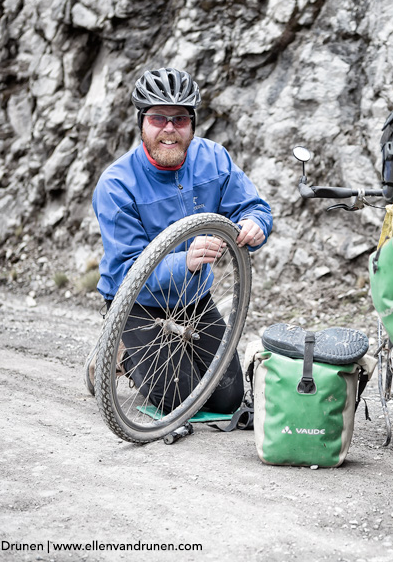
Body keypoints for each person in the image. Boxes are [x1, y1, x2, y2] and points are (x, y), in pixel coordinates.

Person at [85, 67, 272, 416]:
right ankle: (118, 351)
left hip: (193, 299)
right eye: (158, 118)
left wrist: (255, 223)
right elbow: (128, 269)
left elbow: (253, 206)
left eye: (180, 119)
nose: (169, 129)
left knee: (227, 398)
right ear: (142, 123)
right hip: (136, 302)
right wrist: (184, 261)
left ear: (193, 124)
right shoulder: (116, 185)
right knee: (178, 396)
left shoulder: (214, 159)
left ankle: (168, 349)